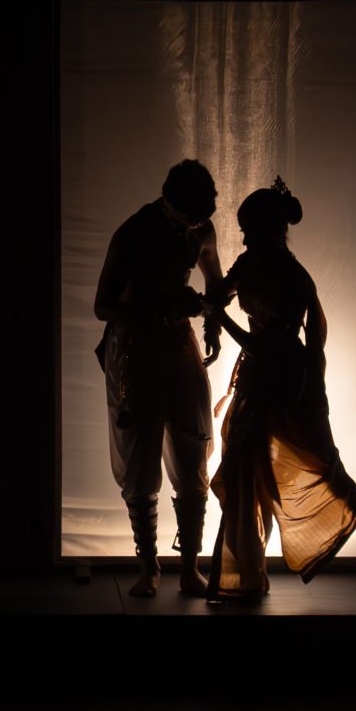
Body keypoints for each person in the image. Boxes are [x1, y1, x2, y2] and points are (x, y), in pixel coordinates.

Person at [203, 178, 356, 602]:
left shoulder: (294, 280)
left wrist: (218, 317)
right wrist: (202, 302)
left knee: (330, 473)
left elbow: (263, 345)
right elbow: (222, 291)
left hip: (289, 385)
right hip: (256, 382)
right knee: (245, 471)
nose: (242, 239)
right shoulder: (249, 262)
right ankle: (238, 579)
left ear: (268, 231)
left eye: (247, 231)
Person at [94, 159, 226, 598]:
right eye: (194, 215)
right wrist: (163, 310)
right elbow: (103, 305)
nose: (199, 224)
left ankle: (189, 567)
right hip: (135, 348)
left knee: (191, 450)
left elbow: (215, 282)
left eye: (203, 217)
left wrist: (211, 322)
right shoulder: (133, 233)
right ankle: (148, 565)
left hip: (177, 343)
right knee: (141, 457)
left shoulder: (201, 230)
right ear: (174, 202)